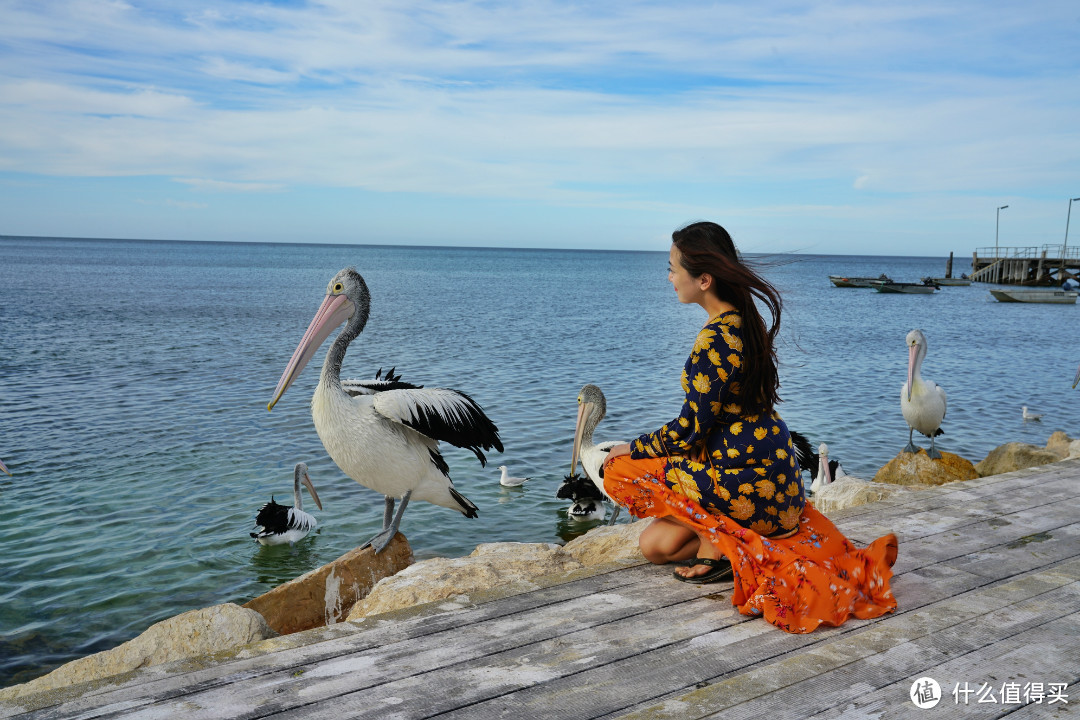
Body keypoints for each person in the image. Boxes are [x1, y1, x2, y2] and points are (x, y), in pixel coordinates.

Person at [601, 221, 897, 633]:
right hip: (777, 483)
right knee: (656, 546)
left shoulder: (715, 340)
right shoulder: (745, 322)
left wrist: (631, 448)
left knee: (615, 470)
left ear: (703, 279)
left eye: (672, 269)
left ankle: (728, 542)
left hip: (743, 483)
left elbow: (688, 431)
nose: (668, 278)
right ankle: (717, 544)